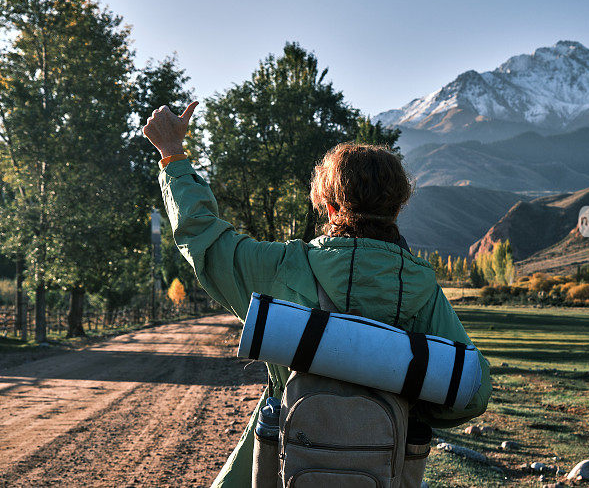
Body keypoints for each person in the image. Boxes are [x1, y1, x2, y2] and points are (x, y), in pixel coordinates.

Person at [143, 102, 492, 487]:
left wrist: (173, 155)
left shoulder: (279, 266)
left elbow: (205, 238)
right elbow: (472, 394)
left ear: (328, 206)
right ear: (397, 208)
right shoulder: (422, 288)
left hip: (282, 466)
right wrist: (405, 400)